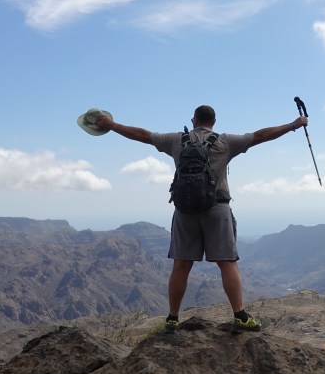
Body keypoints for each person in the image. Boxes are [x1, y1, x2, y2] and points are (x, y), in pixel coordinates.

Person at [93, 105, 308, 333]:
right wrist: (293, 125)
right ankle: (240, 316)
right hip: (218, 208)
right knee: (226, 263)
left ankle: (173, 319)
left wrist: (112, 125)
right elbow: (261, 136)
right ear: (214, 122)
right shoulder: (225, 142)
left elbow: (143, 135)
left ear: (194, 120)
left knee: (181, 264)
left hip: (184, 211)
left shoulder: (177, 140)